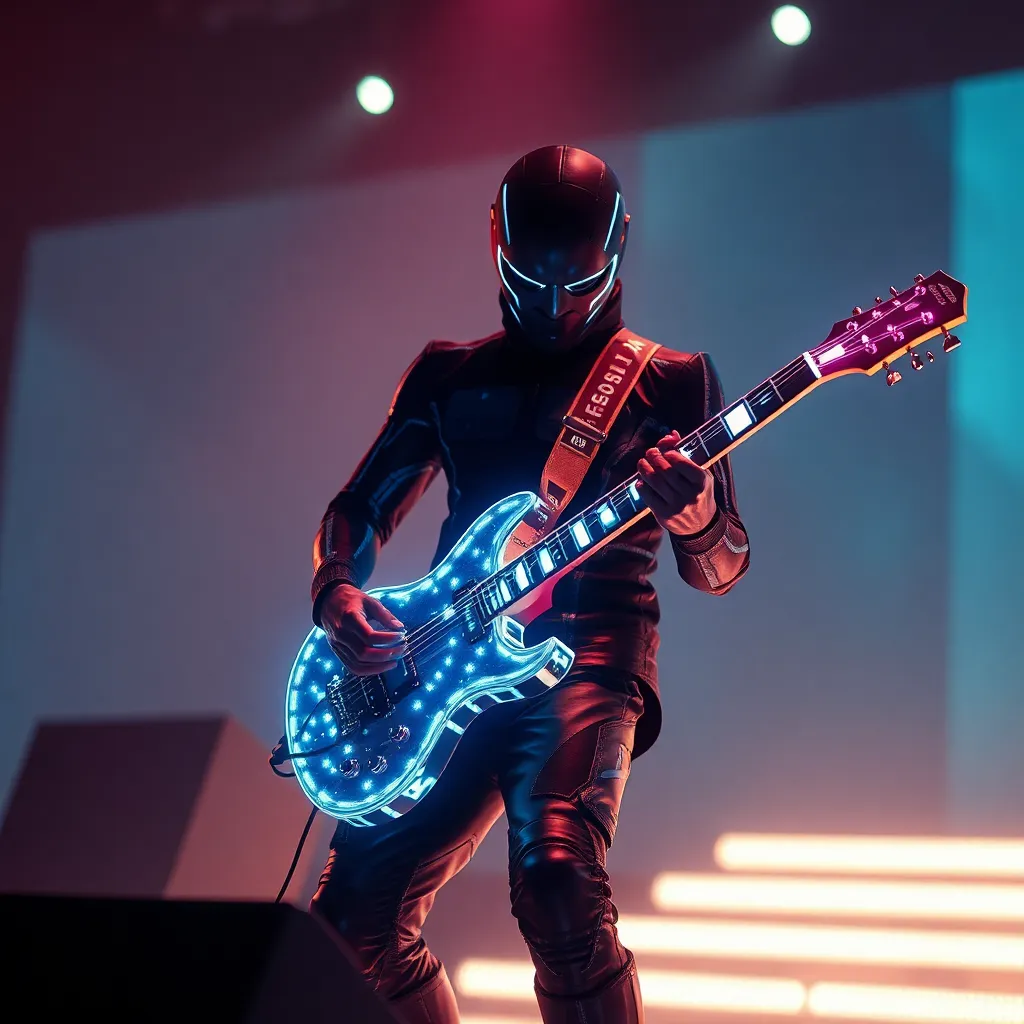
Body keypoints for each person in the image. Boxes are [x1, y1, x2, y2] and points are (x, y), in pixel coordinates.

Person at [308, 145, 750, 1024]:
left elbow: (721, 564)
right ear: (498, 252)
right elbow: (360, 505)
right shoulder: (448, 374)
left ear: (618, 255)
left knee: (556, 877)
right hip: (446, 662)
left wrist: (694, 512)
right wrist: (334, 589)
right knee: (349, 922)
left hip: (590, 657)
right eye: (530, 279)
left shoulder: (672, 379)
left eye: (576, 282)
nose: (553, 304)